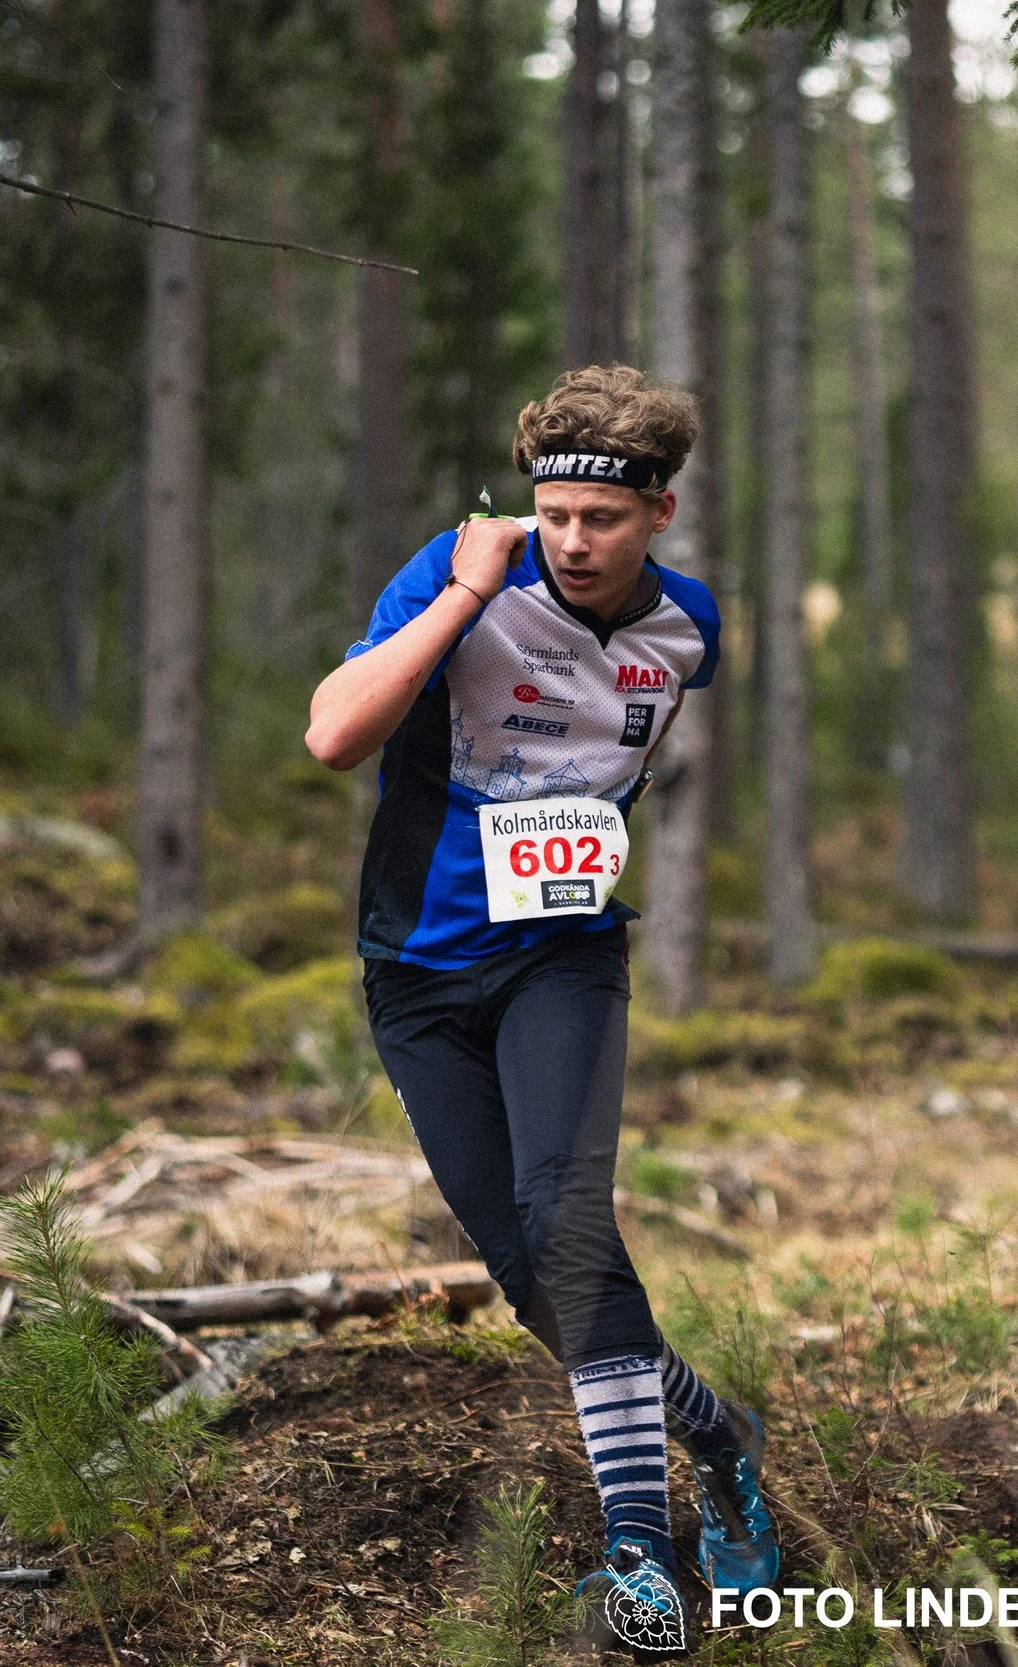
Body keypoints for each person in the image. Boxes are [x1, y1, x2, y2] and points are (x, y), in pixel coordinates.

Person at [305, 364, 777, 1654]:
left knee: (571, 1229)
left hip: (564, 960)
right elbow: (334, 738)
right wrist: (463, 593)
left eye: (605, 520)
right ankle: (722, 1441)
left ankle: (640, 1558)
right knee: (533, 1278)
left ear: (660, 516)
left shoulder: (692, 630)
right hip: (417, 971)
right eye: (555, 513)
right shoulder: (460, 576)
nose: (574, 541)